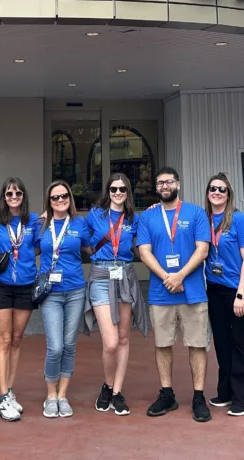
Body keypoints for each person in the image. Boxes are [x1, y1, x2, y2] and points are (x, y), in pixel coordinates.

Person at [136, 166, 213, 422]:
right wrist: (167, 277)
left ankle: (198, 397)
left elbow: (202, 249)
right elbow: (144, 252)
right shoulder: (148, 217)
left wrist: (180, 275)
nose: (164, 186)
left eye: (169, 182)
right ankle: (167, 393)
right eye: (160, 183)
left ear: (177, 184)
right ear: (156, 188)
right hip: (161, 292)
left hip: (192, 292)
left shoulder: (196, 213)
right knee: (163, 344)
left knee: (197, 344)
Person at [83, 173, 149, 417]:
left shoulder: (135, 218)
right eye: (114, 189)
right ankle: (107, 385)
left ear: (128, 191)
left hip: (126, 276)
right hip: (101, 277)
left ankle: (116, 391)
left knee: (123, 338)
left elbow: (142, 244)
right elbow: (80, 235)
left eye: (122, 189)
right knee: (109, 342)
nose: (118, 193)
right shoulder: (95, 215)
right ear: (107, 191)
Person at [0, 177, 38, 422]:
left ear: (24, 196)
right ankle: (3, 395)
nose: (13, 198)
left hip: (26, 285)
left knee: (17, 340)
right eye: (9, 194)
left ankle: (10, 390)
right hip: (1, 286)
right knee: (4, 340)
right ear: (3, 197)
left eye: (17, 193)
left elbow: (39, 245)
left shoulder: (33, 221)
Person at [36, 180, 91, 418]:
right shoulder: (40, 225)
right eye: (55, 197)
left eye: (64, 196)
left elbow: (91, 248)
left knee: (69, 345)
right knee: (55, 346)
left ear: (70, 197)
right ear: (49, 201)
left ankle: (62, 396)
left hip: (76, 291)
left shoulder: (80, 223)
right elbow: (29, 251)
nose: (60, 200)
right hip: (51, 293)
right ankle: (50, 395)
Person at [204, 173, 244, 417]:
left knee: (240, 343)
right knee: (222, 342)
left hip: (237, 290)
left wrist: (241, 294)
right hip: (214, 289)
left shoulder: (238, 220)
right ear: (208, 193)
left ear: (228, 194)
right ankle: (225, 391)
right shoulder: (204, 219)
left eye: (222, 189)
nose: (217, 192)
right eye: (213, 188)